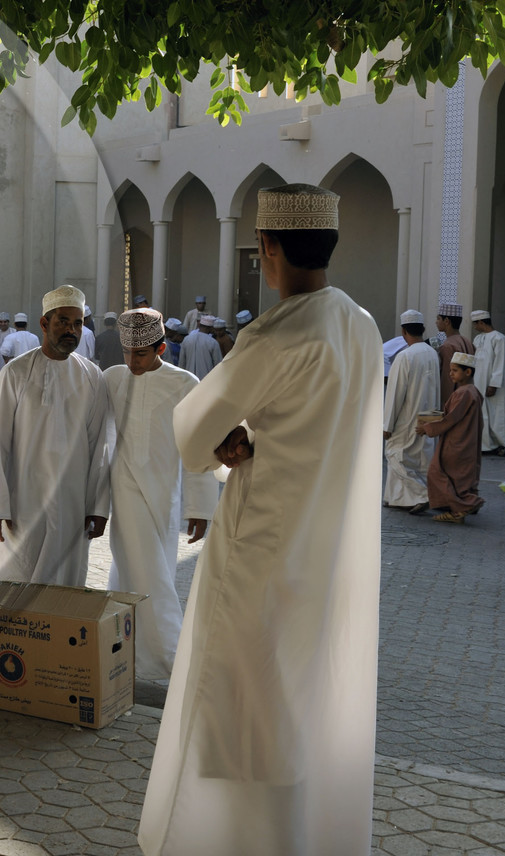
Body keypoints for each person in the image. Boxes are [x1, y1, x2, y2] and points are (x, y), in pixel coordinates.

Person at [140, 184, 381, 856]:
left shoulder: (277, 333)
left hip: (263, 556)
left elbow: (191, 436)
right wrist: (248, 432)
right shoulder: (360, 325)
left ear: (268, 250)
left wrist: (232, 435)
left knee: (244, 713)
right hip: (329, 559)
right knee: (309, 705)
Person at [102, 309, 217, 682]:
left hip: (164, 492)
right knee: (137, 570)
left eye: (140, 354)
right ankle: (150, 655)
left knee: (155, 571)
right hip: (122, 489)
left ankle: (148, 656)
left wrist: (200, 507)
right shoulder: (111, 378)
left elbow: (197, 446)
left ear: (161, 348)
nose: (132, 362)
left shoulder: (184, 383)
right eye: (127, 353)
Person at [0, 285, 112, 584]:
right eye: (63, 322)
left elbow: (99, 446)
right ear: (44, 324)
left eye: (78, 323)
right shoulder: (15, 372)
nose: (72, 330)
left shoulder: (93, 377)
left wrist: (99, 507)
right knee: (16, 579)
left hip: (72, 503)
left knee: (64, 584)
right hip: (23, 500)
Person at [417, 351, 486, 524]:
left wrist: (427, 428)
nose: (450, 374)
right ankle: (461, 507)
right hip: (467, 440)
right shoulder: (473, 391)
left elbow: (451, 419)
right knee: (459, 478)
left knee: (436, 472)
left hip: (456, 442)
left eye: (455, 370)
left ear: (468, 372)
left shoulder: (464, 393)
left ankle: (463, 507)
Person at [383, 310, 440, 511]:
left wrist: (387, 425)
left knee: (396, 455)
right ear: (422, 330)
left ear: (403, 331)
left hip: (406, 418)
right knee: (418, 461)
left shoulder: (404, 356)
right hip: (427, 416)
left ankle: (423, 494)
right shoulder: (432, 353)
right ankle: (397, 497)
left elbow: (395, 393)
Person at [471, 311, 505, 456]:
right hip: (479, 383)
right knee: (483, 414)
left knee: (497, 416)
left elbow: (501, 363)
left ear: (481, 322)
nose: (475, 327)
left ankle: (502, 445)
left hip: (494, 385)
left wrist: (494, 384)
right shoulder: (478, 339)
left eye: (475, 324)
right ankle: (486, 446)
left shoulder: (499, 339)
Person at [435, 303, 475, 407]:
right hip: (469, 394)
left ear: (447, 321)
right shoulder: (467, 341)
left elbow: (448, 379)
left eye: (438, 318)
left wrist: (446, 404)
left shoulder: (448, 346)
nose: (436, 322)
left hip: (455, 400)